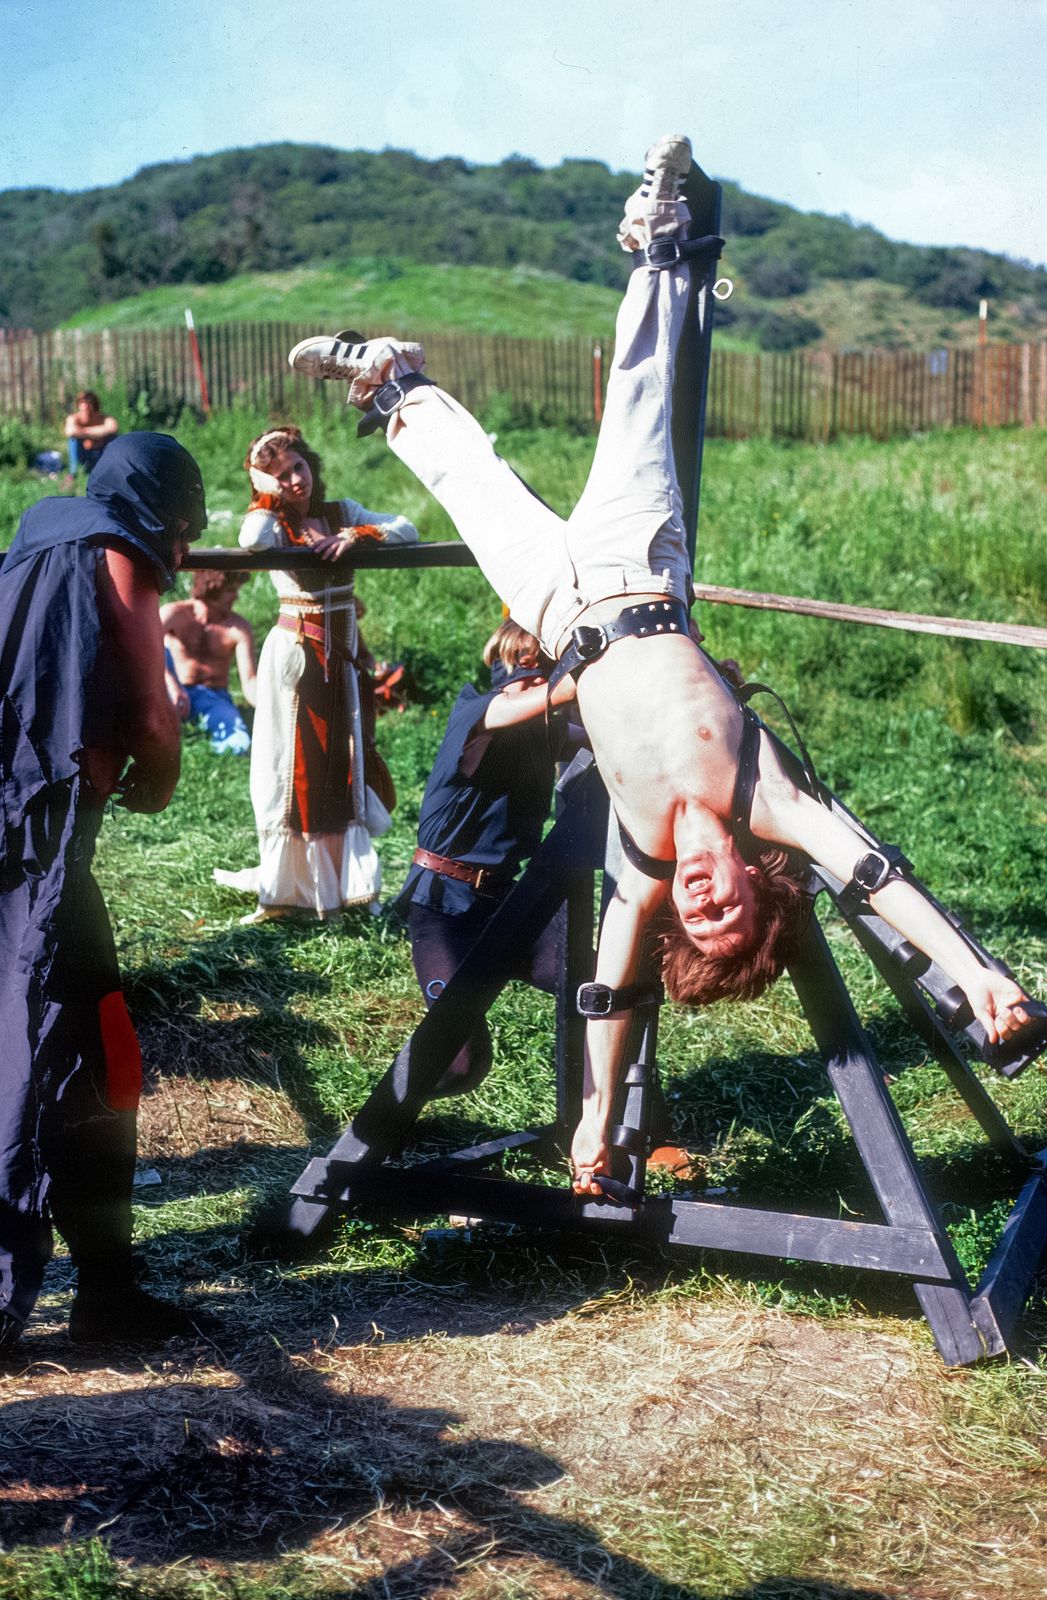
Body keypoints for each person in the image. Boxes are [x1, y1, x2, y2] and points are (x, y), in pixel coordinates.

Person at [289, 135, 1037, 1196]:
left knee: (468, 482)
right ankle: (657, 235)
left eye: (699, 919)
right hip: (638, 568)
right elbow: (876, 875)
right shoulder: (767, 802)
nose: (702, 899)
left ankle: (387, 379)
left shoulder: (642, 866)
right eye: (728, 907)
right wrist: (978, 977)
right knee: (640, 398)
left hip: (556, 608)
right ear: (755, 887)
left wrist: (596, 1125)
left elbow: (609, 995)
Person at [0, 432, 206, 1355]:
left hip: (13, 833)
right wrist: (160, 771)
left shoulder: (32, 541)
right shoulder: (118, 546)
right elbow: (153, 713)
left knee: (68, 1046)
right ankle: (98, 1296)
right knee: (79, 1057)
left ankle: (105, 1288)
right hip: (44, 849)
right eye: (185, 530)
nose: (184, 553)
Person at [214, 425, 417, 921]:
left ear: (312, 465)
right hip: (297, 656)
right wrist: (265, 492)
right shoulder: (270, 521)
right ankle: (295, 889)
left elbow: (407, 528)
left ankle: (346, 886)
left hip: (341, 658)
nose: (295, 480)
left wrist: (355, 536)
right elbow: (251, 539)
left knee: (342, 763)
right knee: (295, 766)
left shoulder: (341, 512)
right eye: (280, 475)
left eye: (298, 467)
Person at [394, 618, 567, 1093]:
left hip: (505, 901)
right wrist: (595, 669)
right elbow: (541, 699)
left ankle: (610, 1117)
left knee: (588, 985)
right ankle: (385, 1119)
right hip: (444, 906)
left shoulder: (542, 729)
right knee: (462, 1065)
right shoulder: (479, 711)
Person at [162, 569, 257, 755]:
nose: (236, 597)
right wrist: (172, 685)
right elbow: (146, 653)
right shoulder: (173, 614)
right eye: (231, 590)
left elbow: (250, 680)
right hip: (172, 692)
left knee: (239, 745)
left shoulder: (238, 627)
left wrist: (268, 707)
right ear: (212, 588)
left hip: (214, 697)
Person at [63, 390, 119, 476]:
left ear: (94, 405)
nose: (85, 406)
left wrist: (82, 432)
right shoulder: (74, 418)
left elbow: (113, 427)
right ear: (78, 405)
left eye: (89, 402)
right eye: (82, 403)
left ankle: (112, 467)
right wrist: (97, 434)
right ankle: (73, 472)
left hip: (101, 453)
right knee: (73, 440)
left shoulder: (103, 418)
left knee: (113, 437)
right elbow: (70, 431)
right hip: (83, 454)